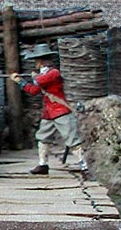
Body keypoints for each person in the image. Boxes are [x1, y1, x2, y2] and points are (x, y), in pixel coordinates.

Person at [10, 44, 90, 180]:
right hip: (49, 113)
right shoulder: (43, 74)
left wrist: (34, 76)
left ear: (41, 61)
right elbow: (34, 90)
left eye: (37, 61)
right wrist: (20, 82)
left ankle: (85, 167)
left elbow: (39, 81)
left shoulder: (53, 73)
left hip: (60, 111)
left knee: (73, 140)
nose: (35, 63)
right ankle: (43, 165)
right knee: (42, 138)